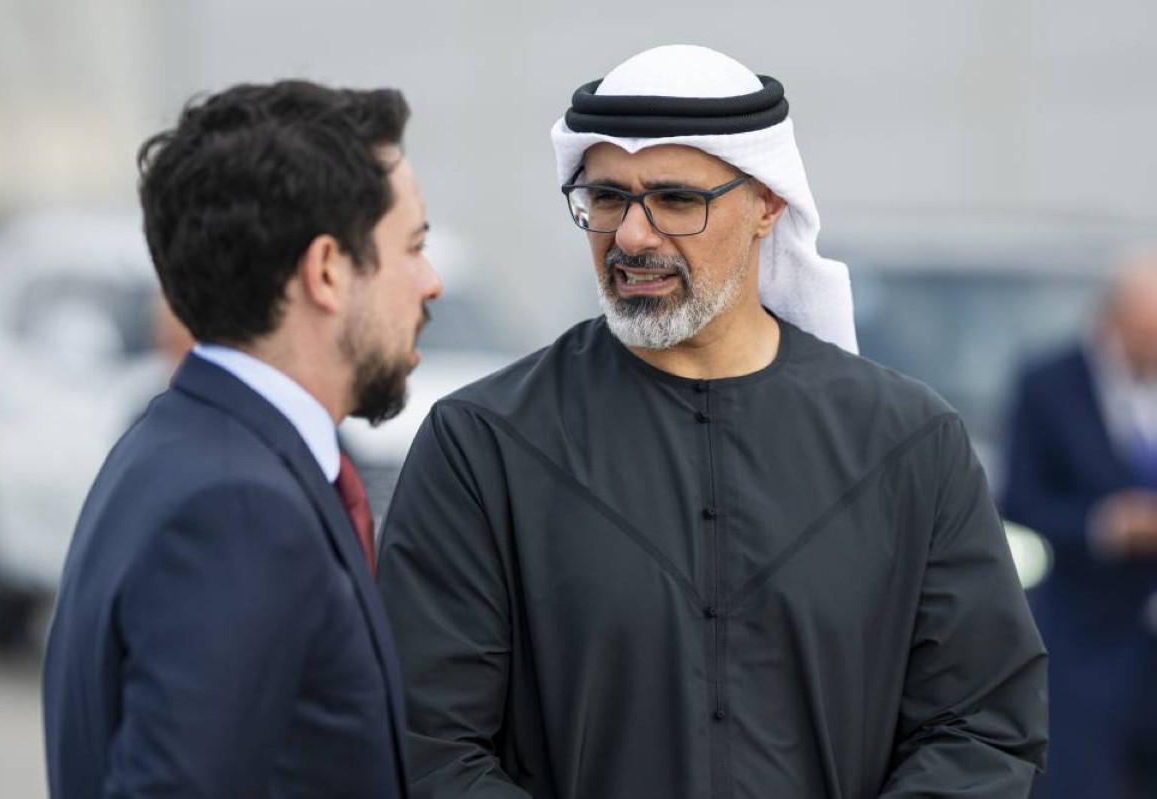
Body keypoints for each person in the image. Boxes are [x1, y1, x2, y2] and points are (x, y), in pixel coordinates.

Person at [376, 45, 1047, 798]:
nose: (632, 236)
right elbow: (426, 742)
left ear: (767, 204)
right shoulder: (483, 444)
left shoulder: (908, 443)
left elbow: (980, 724)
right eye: (607, 198)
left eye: (674, 199)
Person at [43, 80, 442, 798]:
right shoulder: (238, 509)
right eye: (413, 246)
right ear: (327, 270)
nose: (431, 282)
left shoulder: (172, 445)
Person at [1002, 251, 1157, 798]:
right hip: (1085, 634)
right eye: (1146, 334)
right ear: (1113, 321)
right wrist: (1105, 526)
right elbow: (1020, 500)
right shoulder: (1050, 384)